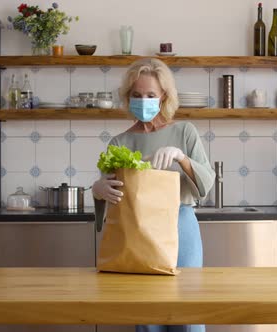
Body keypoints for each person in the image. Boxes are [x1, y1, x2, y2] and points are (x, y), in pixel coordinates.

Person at [92, 57, 215, 332]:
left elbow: (207, 183)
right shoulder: (120, 142)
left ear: (164, 97)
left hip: (180, 225)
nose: (143, 100)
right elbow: (111, 196)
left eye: (150, 94)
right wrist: (97, 190)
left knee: (187, 311)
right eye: (137, 95)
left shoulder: (185, 132)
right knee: (148, 314)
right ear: (128, 97)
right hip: (138, 230)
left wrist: (182, 157)